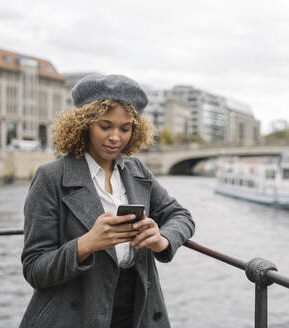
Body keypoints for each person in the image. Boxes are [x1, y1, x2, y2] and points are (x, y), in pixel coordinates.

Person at [20, 74, 195, 328]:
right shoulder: (51, 177)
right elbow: (35, 269)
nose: (116, 137)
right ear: (84, 124)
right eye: (105, 126)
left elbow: (181, 216)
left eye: (125, 128)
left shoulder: (136, 170)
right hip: (77, 313)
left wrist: (162, 240)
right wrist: (85, 244)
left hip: (137, 306)